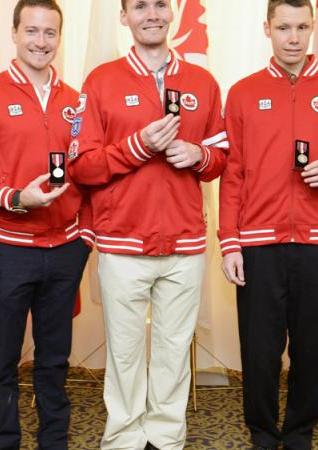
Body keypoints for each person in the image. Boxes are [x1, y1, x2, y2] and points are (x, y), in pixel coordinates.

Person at [67, 0, 228, 447]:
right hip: (122, 243)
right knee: (125, 352)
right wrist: (136, 146)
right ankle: (123, 438)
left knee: (175, 351)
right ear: (124, 17)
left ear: (171, 12)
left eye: (160, 4)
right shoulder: (101, 81)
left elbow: (223, 159)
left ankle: (166, 437)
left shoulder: (203, 81)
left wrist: (200, 156)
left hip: (185, 243)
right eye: (139, 6)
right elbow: (82, 167)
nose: (151, 13)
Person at [218, 0, 318, 448]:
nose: (293, 37)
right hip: (259, 243)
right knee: (259, 352)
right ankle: (261, 432)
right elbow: (232, 173)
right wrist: (230, 242)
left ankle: (300, 432)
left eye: (302, 27)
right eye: (284, 27)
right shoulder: (242, 92)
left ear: (313, 27)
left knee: (310, 348)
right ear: (268, 28)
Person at [0, 1, 89, 449]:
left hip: (65, 250)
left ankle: (54, 441)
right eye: (32, 31)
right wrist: (14, 198)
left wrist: (84, 235)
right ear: (14, 33)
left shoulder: (76, 100)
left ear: (59, 38)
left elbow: (89, 170)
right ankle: (2, 442)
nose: (41, 42)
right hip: (8, 250)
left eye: (50, 33)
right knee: (3, 360)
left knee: (54, 360)